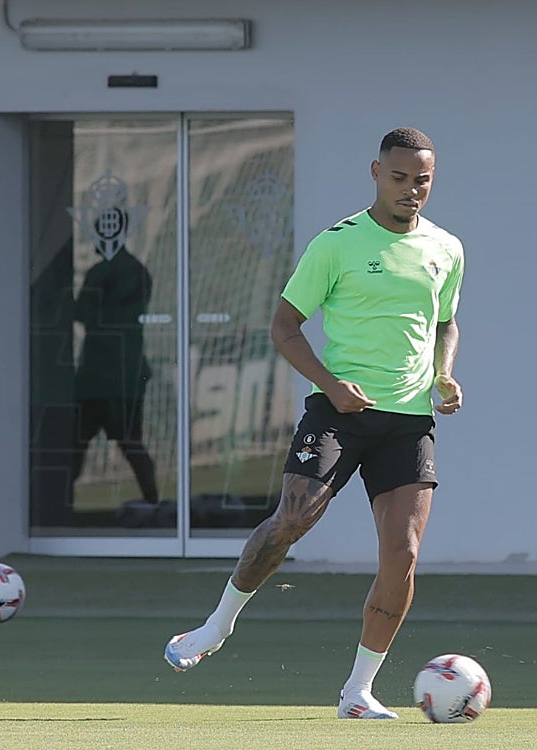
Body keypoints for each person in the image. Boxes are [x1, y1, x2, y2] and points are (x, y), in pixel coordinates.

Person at [163, 127, 465, 719]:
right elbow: (283, 327)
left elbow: (445, 322)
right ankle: (215, 627)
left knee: (402, 555)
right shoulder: (337, 244)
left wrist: (444, 373)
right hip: (337, 413)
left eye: (422, 180)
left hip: (408, 419)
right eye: (399, 178)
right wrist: (331, 385)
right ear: (376, 172)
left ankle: (358, 692)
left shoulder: (447, 248)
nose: (411, 190)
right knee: (292, 520)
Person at [71, 233, 159, 512]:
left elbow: (85, 313)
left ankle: (59, 507)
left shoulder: (104, 273)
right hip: (124, 373)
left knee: (80, 444)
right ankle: (153, 501)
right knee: (129, 442)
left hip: (103, 376)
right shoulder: (138, 271)